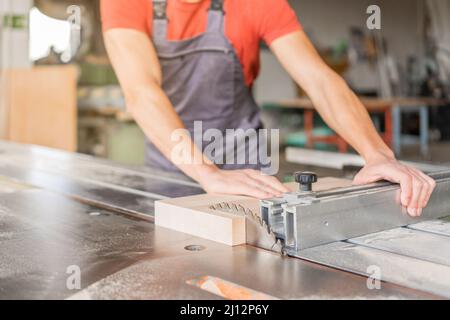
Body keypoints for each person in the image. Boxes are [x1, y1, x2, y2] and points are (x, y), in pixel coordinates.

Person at [101, 0, 435, 217]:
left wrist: (377, 154)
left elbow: (318, 78)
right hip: (170, 160)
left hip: (243, 158)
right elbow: (141, 90)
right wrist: (206, 172)